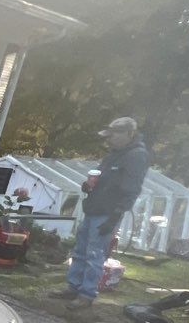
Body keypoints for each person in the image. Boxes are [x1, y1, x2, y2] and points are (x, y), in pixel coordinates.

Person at [53, 116, 149, 308]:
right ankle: (73, 287)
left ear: (129, 134)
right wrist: (89, 186)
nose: (109, 140)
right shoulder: (114, 154)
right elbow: (101, 179)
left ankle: (86, 295)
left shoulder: (136, 156)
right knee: (80, 251)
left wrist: (115, 215)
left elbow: (132, 189)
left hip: (108, 212)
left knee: (94, 254)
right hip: (94, 208)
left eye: (113, 135)